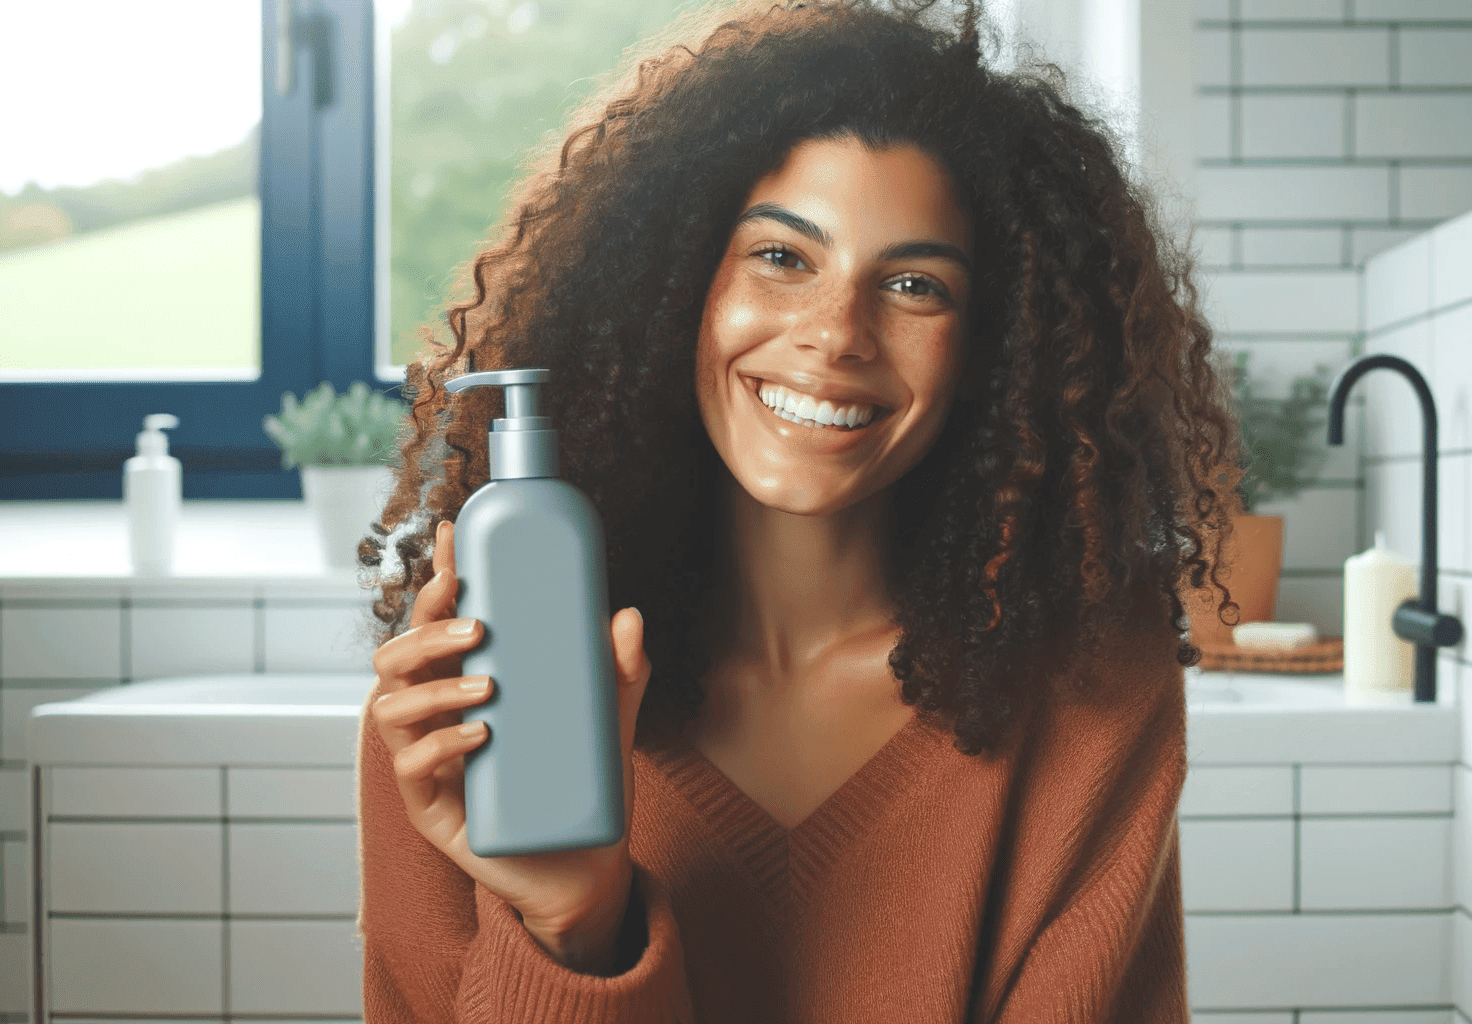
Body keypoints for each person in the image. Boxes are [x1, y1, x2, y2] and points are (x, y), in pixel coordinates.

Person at [355, 0, 1237, 1019]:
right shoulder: (457, 711)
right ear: (675, 282)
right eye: (781, 257)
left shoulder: (1089, 687)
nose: (835, 335)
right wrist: (574, 924)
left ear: (997, 349)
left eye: (912, 284)